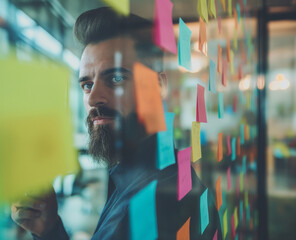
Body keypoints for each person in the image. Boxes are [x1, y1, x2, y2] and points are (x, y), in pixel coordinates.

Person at [12, 7, 221, 240]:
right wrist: (49, 228)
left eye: (116, 78)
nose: (93, 98)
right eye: (87, 85)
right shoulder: (139, 177)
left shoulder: (157, 201)